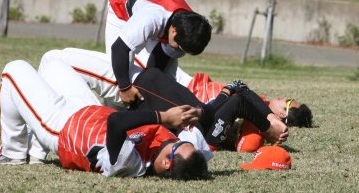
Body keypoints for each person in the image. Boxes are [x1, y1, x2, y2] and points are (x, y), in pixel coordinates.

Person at [0, 59, 209, 180]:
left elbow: (117, 124)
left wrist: (164, 117)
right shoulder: (186, 152)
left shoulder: (132, 165)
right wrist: (198, 113)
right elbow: (209, 118)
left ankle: (12, 153)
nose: (177, 139)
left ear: (166, 163)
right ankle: (35, 153)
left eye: (177, 145)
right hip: (88, 108)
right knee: (53, 60)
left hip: (63, 128)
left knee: (13, 70)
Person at [36, 48, 288, 150]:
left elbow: (240, 99)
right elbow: (238, 87)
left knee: (56, 61)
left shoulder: (213, 133)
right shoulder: (214, 115)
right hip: (144, 79)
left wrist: (267, 128)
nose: (237, 126)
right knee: (58, 59)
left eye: (241, 129)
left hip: (137, 87)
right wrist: (266, 116)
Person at [105, 0, 212, 105]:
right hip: (120, 4)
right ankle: (112, 112)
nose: (179, 51)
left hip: (158, 3)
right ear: (174, 31)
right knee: (117, 77)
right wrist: (125, 88)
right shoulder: (152, 18)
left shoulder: (187, 29)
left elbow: (155, 69)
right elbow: (119, 49)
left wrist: (152, 93)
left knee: (167, 79)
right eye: (180, 48)